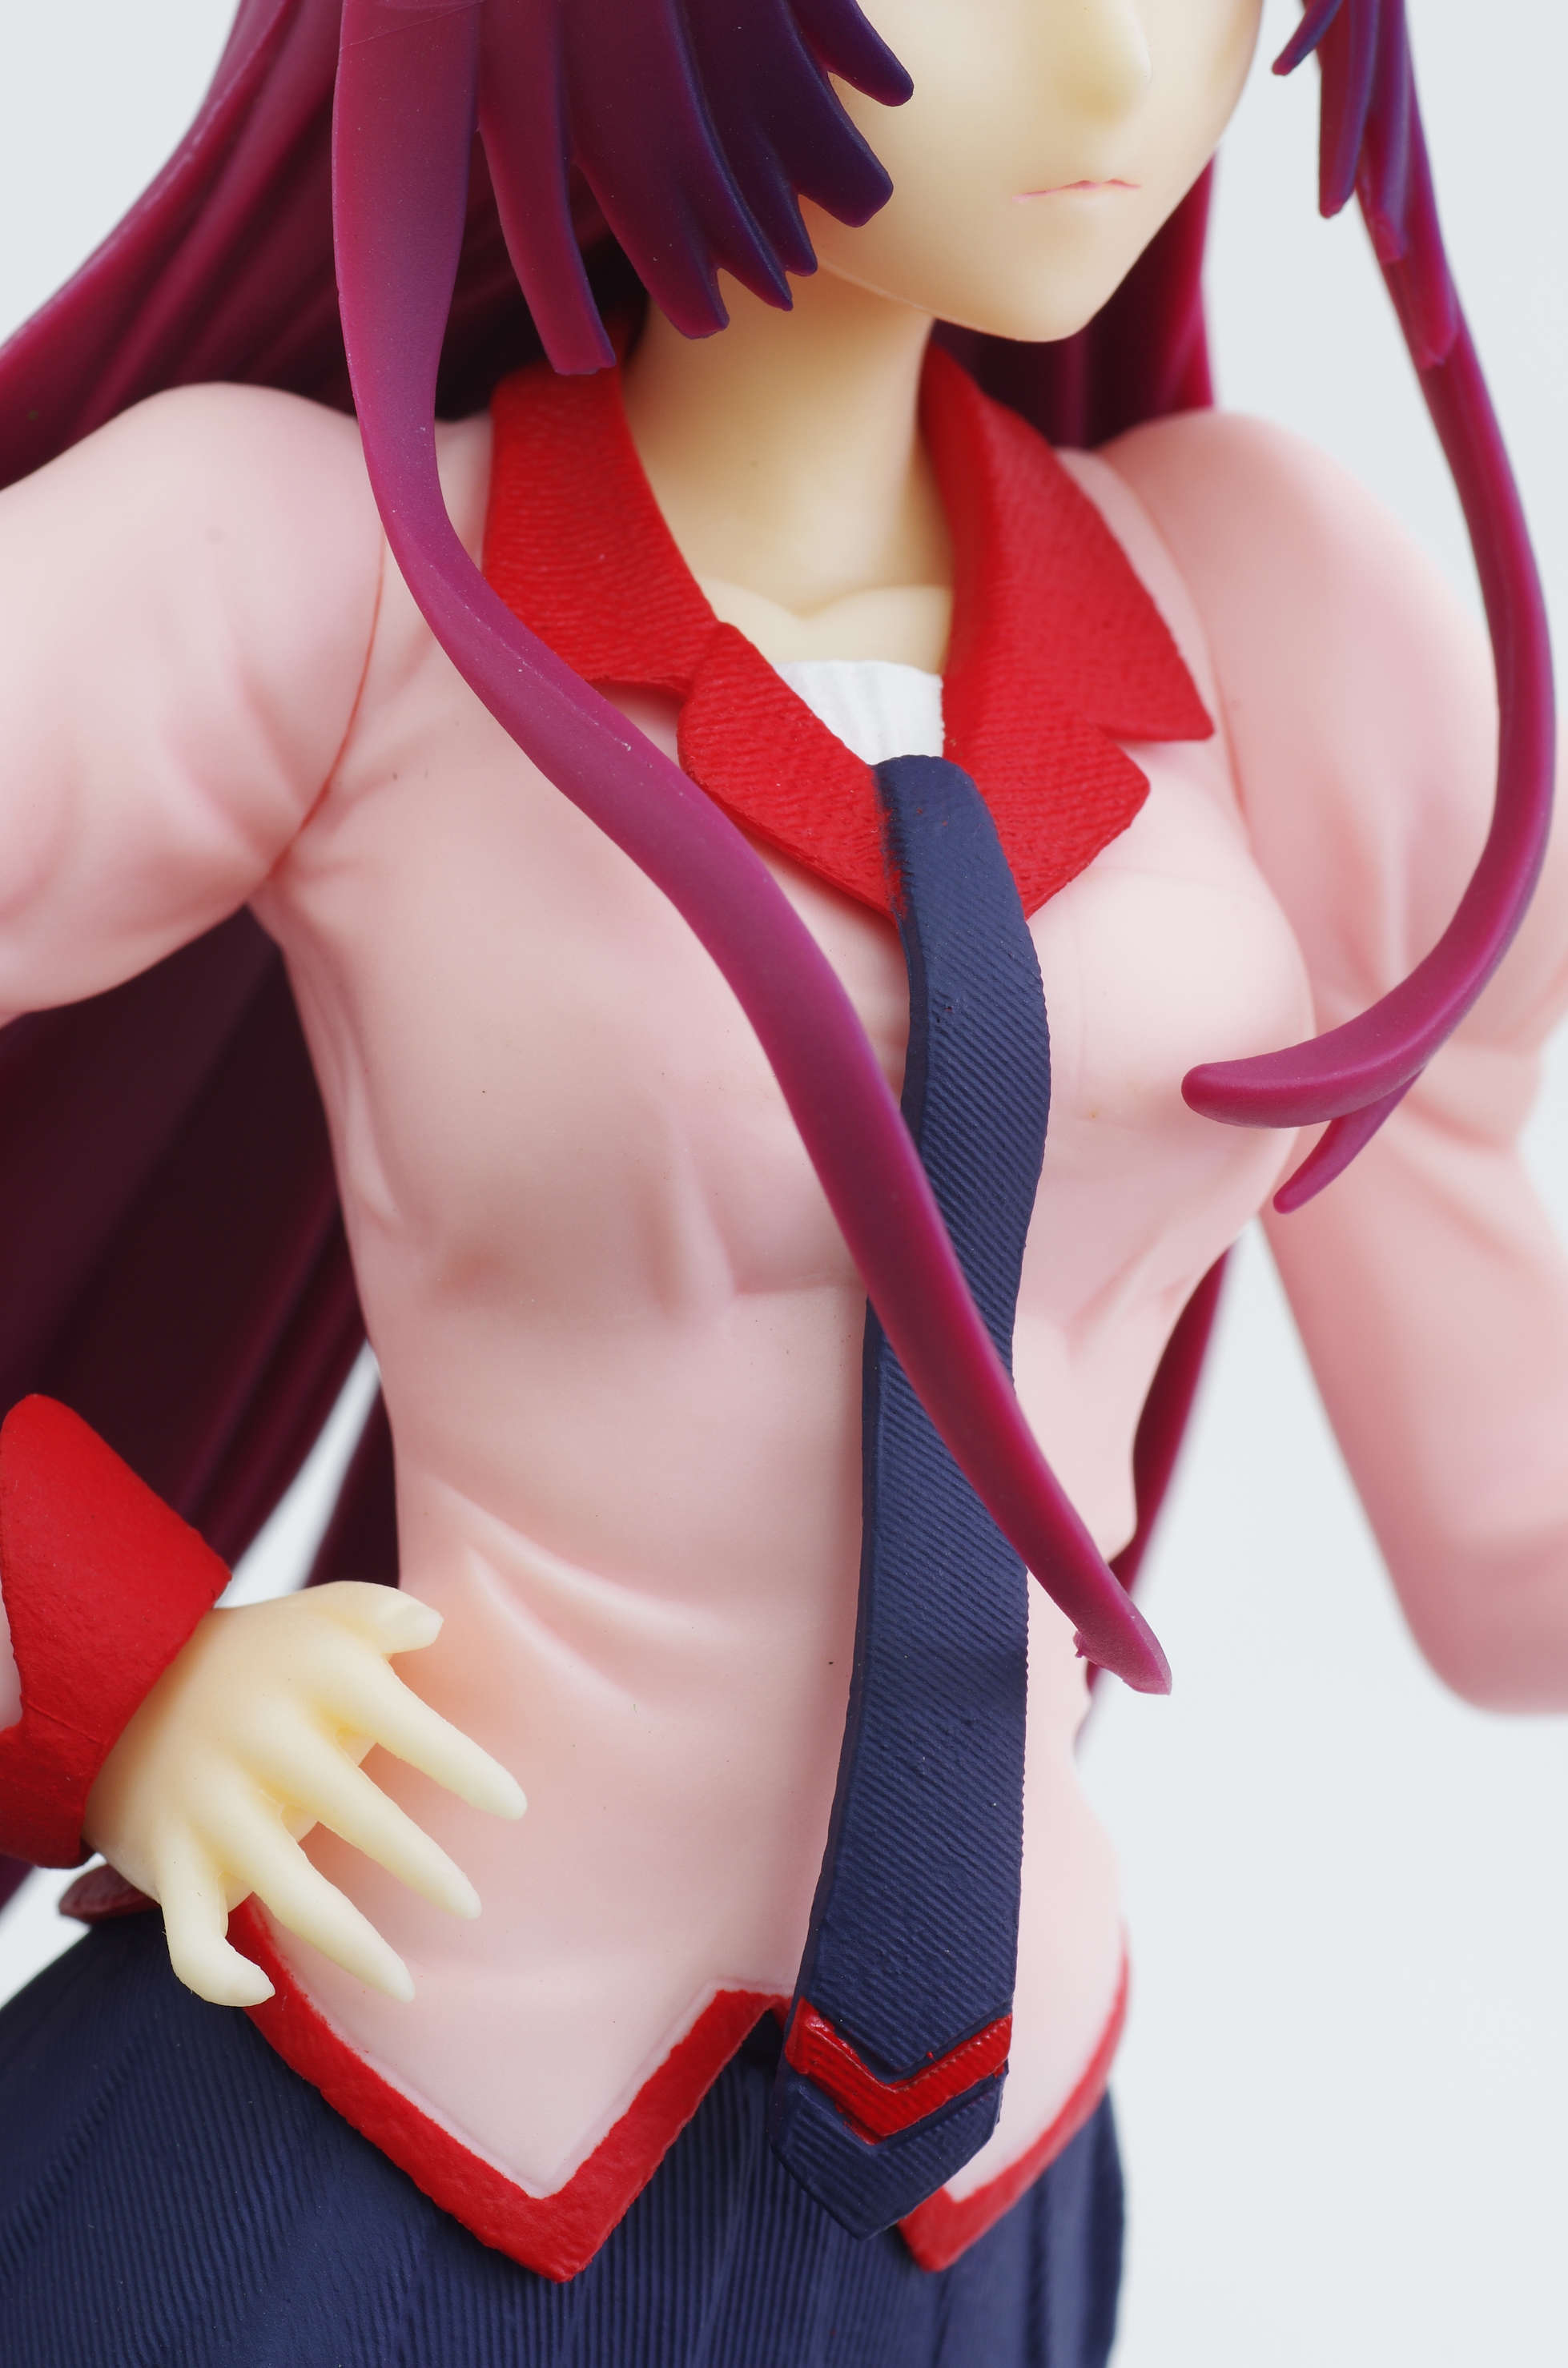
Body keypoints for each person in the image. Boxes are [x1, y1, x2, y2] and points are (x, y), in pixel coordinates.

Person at [0, 2, 1562, 2362]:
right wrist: (109, 1659)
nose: (1119, 62)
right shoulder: (327, 587)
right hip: (368, 2125)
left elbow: (1509, 1532)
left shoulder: (1272, 620)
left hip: (976, 2193)